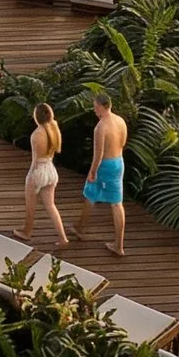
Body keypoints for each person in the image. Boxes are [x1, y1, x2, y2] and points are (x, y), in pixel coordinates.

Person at [13, 103, 71, 246]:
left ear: (36, 117)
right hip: (51, 170)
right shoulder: (54, 128)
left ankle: (26, 232)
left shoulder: (36, 135)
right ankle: (63, 238)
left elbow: (35, 160)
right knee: (51, 205)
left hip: (38, 171)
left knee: (30, 205)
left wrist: (30, 177)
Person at [79, 95, 128, 256]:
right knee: (116, 202)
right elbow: (123, 142)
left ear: (101, 106)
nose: (94, 110)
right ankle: (118, 244)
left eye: (95, 107)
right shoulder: (120, 121)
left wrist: (92, 172)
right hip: (119, 162)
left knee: (90, 194)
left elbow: (98, 154)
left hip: (105, 165)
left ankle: (80, 228)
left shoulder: (101, 127)